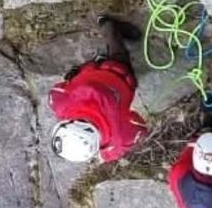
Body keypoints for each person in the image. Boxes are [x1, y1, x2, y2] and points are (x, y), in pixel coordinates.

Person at [48, 16, 147, 163]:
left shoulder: (119, 138)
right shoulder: (60, 104)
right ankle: (107, 30)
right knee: (104, 66)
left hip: (118, 75)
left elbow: (140, 128)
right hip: (88, 71)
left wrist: (109, 152)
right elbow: (58, 89)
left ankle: (109, 26)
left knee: (121, 62)